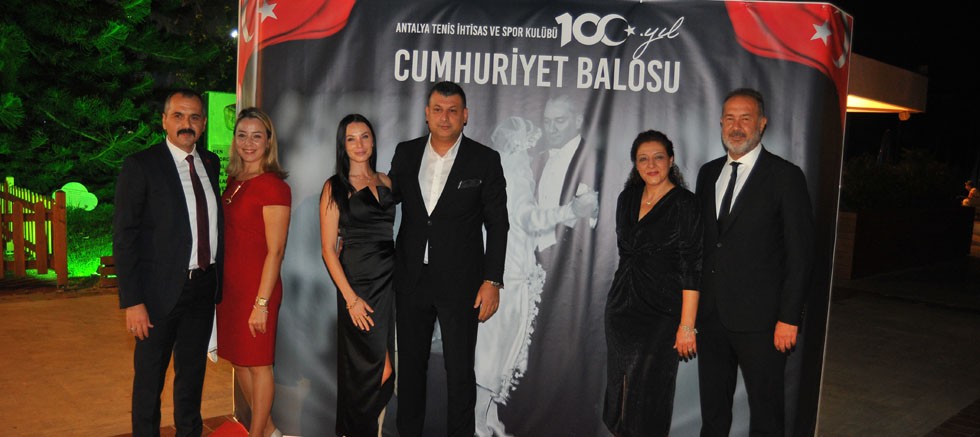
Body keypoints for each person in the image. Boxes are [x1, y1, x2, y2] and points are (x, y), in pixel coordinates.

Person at [388, 81, 509, 437]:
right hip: (411, 279)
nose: (445, 117)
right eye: (438, 110)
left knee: (459, 373)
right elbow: (387, 200)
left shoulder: (484, 160)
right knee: (410, 370)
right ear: (427, 114)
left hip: (462, 284)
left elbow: (498, 225)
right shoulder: (406, 153)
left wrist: (492, 280)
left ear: (465, 115)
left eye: (453, 111)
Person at [695, 88, 815, 436]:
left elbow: (801, 254)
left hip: (763, 322)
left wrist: (789, 318)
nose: (736, 127)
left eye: (745, 118)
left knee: (766, 413)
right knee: (713, 412)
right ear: (720, 123)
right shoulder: (707, 173)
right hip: (711, 316)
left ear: (762, 123)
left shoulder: (785, 176)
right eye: (730, 118)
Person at [114, 89, 222, 435]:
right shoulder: (141, 165)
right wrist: (133, 301)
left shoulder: (210, 163)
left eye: (194, 117)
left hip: (202, 288)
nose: (186, 124)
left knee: (192, 377)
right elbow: (125, 237)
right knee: (149, 380)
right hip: (156, 295)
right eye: (178, 116)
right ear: (164, 121)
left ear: (203, 124)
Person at [603, 130, 702, 436]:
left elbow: (692, 266)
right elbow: (625, 254)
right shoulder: (627, 199)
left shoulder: (685, 203)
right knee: (620, 390)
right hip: (621, 309)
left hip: (662, 314)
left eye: (658, 157)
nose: (651, 165)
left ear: (671, 160)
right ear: (635, 164)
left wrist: (687, 326)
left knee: (650, 393)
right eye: (643, 159)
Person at [319, 114, 396, 436]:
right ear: (343, 145)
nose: (359, 144)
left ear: (373, 141)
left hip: (389, 283)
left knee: (384, 370)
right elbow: (327, 249)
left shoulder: (387, 181)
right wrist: (351, 299)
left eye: (364, 136)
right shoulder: (334, 186)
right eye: (351, 139)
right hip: (358, 286)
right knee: (369, 371)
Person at [216, 107, 290, 437]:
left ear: (268, 141)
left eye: (256, 136)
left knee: (259, 364)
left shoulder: (273, 186)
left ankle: (257, 433)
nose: (248, 143)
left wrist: (261, 303)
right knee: (240, 361)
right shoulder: (235, 181)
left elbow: (276, 251)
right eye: (242, 135)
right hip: (231, 288)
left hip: (258, 288)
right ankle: (270, 431)